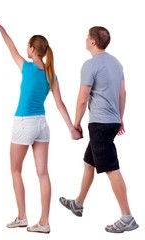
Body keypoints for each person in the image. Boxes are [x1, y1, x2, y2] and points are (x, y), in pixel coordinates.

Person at [0, 20, 82, 234]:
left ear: (32, 49)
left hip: (24, 123)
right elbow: (60, 104)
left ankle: (22, 217)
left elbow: (10, 47)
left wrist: (3, 30)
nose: (25, 49)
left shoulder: (27, 67)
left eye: (28, 46)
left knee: (15, 170)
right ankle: (44, 222)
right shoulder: (52, 75)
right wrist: (71, 128)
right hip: (42, 125)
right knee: (43, 173)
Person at [59, 26, 139, 233]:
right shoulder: (117, 63)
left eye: (87, 36)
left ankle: (127, 216)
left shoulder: (90, 65)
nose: (86, 39)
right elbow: (123, 94)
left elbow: (82, 99)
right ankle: (78, 203)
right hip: (111, 122)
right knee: (88, 162)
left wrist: (75, 124)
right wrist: (120, 119)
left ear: (93, 42)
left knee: (112, 168)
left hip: (100, 125)